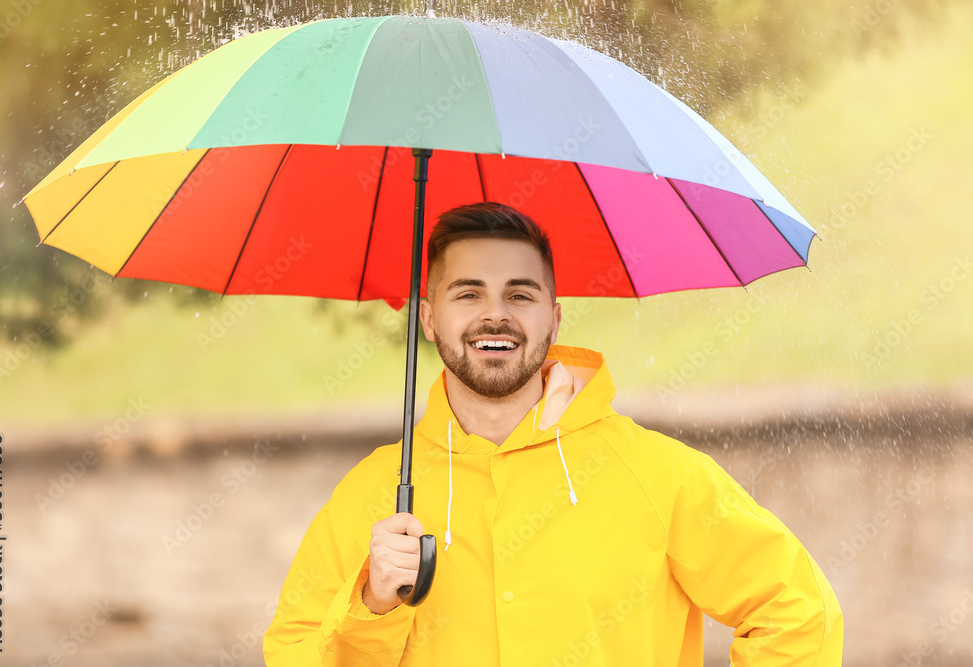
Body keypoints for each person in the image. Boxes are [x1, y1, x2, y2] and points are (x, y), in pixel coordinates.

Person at [263, 202, 844, 666]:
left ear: (555, 317)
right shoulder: (372, 495)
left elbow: (797, 612)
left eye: (521, 294)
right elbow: (293, 652)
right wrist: (372, 606)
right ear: (428, 316)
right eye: (468, 293)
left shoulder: (658, 475)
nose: (496, 315)